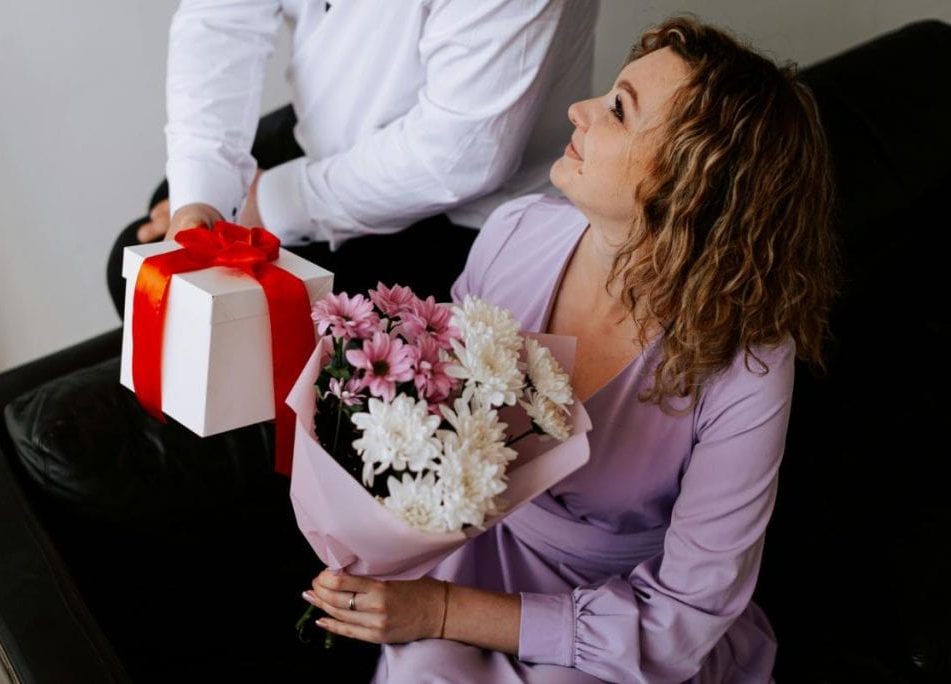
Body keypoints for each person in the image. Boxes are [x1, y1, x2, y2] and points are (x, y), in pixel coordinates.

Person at [300, 16, 839, 682]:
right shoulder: (515, 231)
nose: (577, 112)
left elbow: (686, 614)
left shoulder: (748, 366)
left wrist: (440, 611)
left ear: (692, 185)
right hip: (478, 557)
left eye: (617, 110)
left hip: (620, 624)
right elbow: (438, 417)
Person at [106, 0, 599, 316]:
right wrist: (202, 200)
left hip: (459, 213)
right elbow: (220, 17)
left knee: (143, 285)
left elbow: (460, 154)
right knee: (150, 234)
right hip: (332, 127)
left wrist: (270, 202)